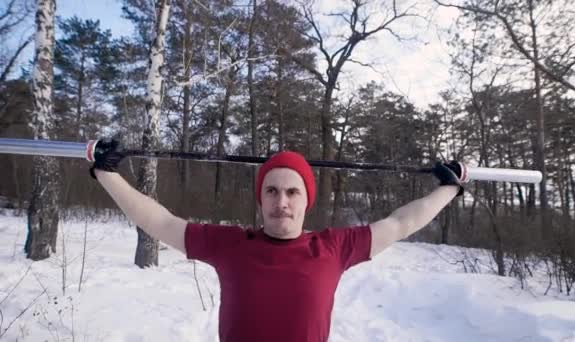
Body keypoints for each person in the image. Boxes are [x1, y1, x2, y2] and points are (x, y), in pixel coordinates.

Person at [89, 138, 465, 342]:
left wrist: (449, 189)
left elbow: (400, 223)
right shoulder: (232, 245)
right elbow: (161, 221)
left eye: (291, 192)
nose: (281, 202)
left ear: (307, 200)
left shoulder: (333, 248)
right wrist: (107, 174)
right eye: (271, 191)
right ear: (261, 197)